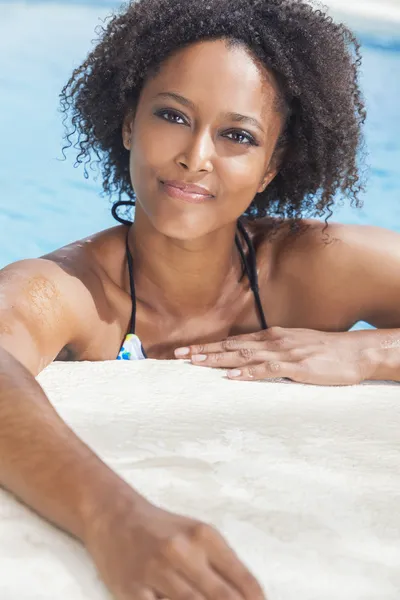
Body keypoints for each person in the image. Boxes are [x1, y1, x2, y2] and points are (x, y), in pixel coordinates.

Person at [1, 0, 399, 597]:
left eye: (238, 135)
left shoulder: (319, 269)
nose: (196, 156)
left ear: (271, 167)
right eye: (172, 115)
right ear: (130, 122)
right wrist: (112, 517)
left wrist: (371, 353)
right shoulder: (72, 288)